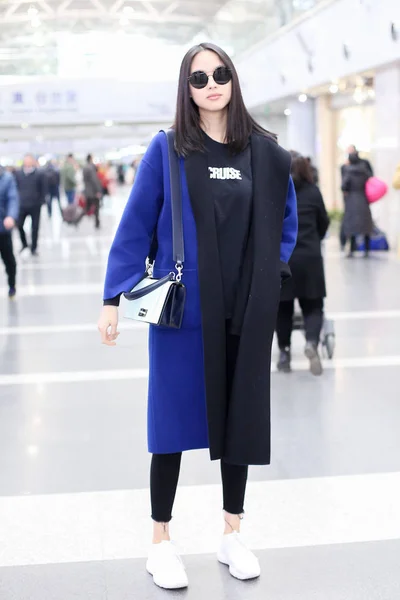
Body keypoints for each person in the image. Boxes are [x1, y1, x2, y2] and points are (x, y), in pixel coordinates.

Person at [97, 42, 297, 590]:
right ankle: (160, 540)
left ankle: (232, 532)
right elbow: (137, 223)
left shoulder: (266, 153)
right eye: (198, 77)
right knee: (170, 426)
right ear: (186, 88)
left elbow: (286, 220)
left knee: (241, 420)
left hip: (245, 313)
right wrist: (113, 297)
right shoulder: (168, 151)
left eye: (221, 73)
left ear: (234, 79)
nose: (211, 84)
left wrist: (271, 269)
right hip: (184, 316)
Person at [276, 152, 330, 376]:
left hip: (284, 258)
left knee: (283, 308)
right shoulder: (313, 192)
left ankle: (285, 354)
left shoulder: (277, 192)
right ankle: (311, 342)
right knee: (313, 306)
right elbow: (324, 222)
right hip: (310, 258)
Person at [341, 152, 373, 257]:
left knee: (352, 226)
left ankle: (352, 250)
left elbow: (343, 186)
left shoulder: (348, 171)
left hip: (352, 200)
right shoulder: (364, 171)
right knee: (365, 225)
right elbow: (370, 180)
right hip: (363, 199)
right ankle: (367, 251)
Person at [15, 154, 46, 257]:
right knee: (19, 225)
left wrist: (41, 201)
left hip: (35, 205)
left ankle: (34, 247)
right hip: (22, 204)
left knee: (35, 227)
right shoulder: (18, 174)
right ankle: (24, 244)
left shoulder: (39, 174)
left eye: (29, 160)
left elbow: (43, 188)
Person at [0, 165, 19, 298]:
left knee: (9, 260)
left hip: (3, 228)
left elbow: (13, 199)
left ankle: (12, 284)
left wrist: (11, 216)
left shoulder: (7, 178)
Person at [82, 154, 103, 229]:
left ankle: (77, 219)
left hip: (87, 191)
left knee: (87, 207)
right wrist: (98, 191)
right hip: (93, 192)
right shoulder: (91, 168)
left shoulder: (84, 167)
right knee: (96, 207)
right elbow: (95, 180)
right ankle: (97, 223)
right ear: (90, 159)